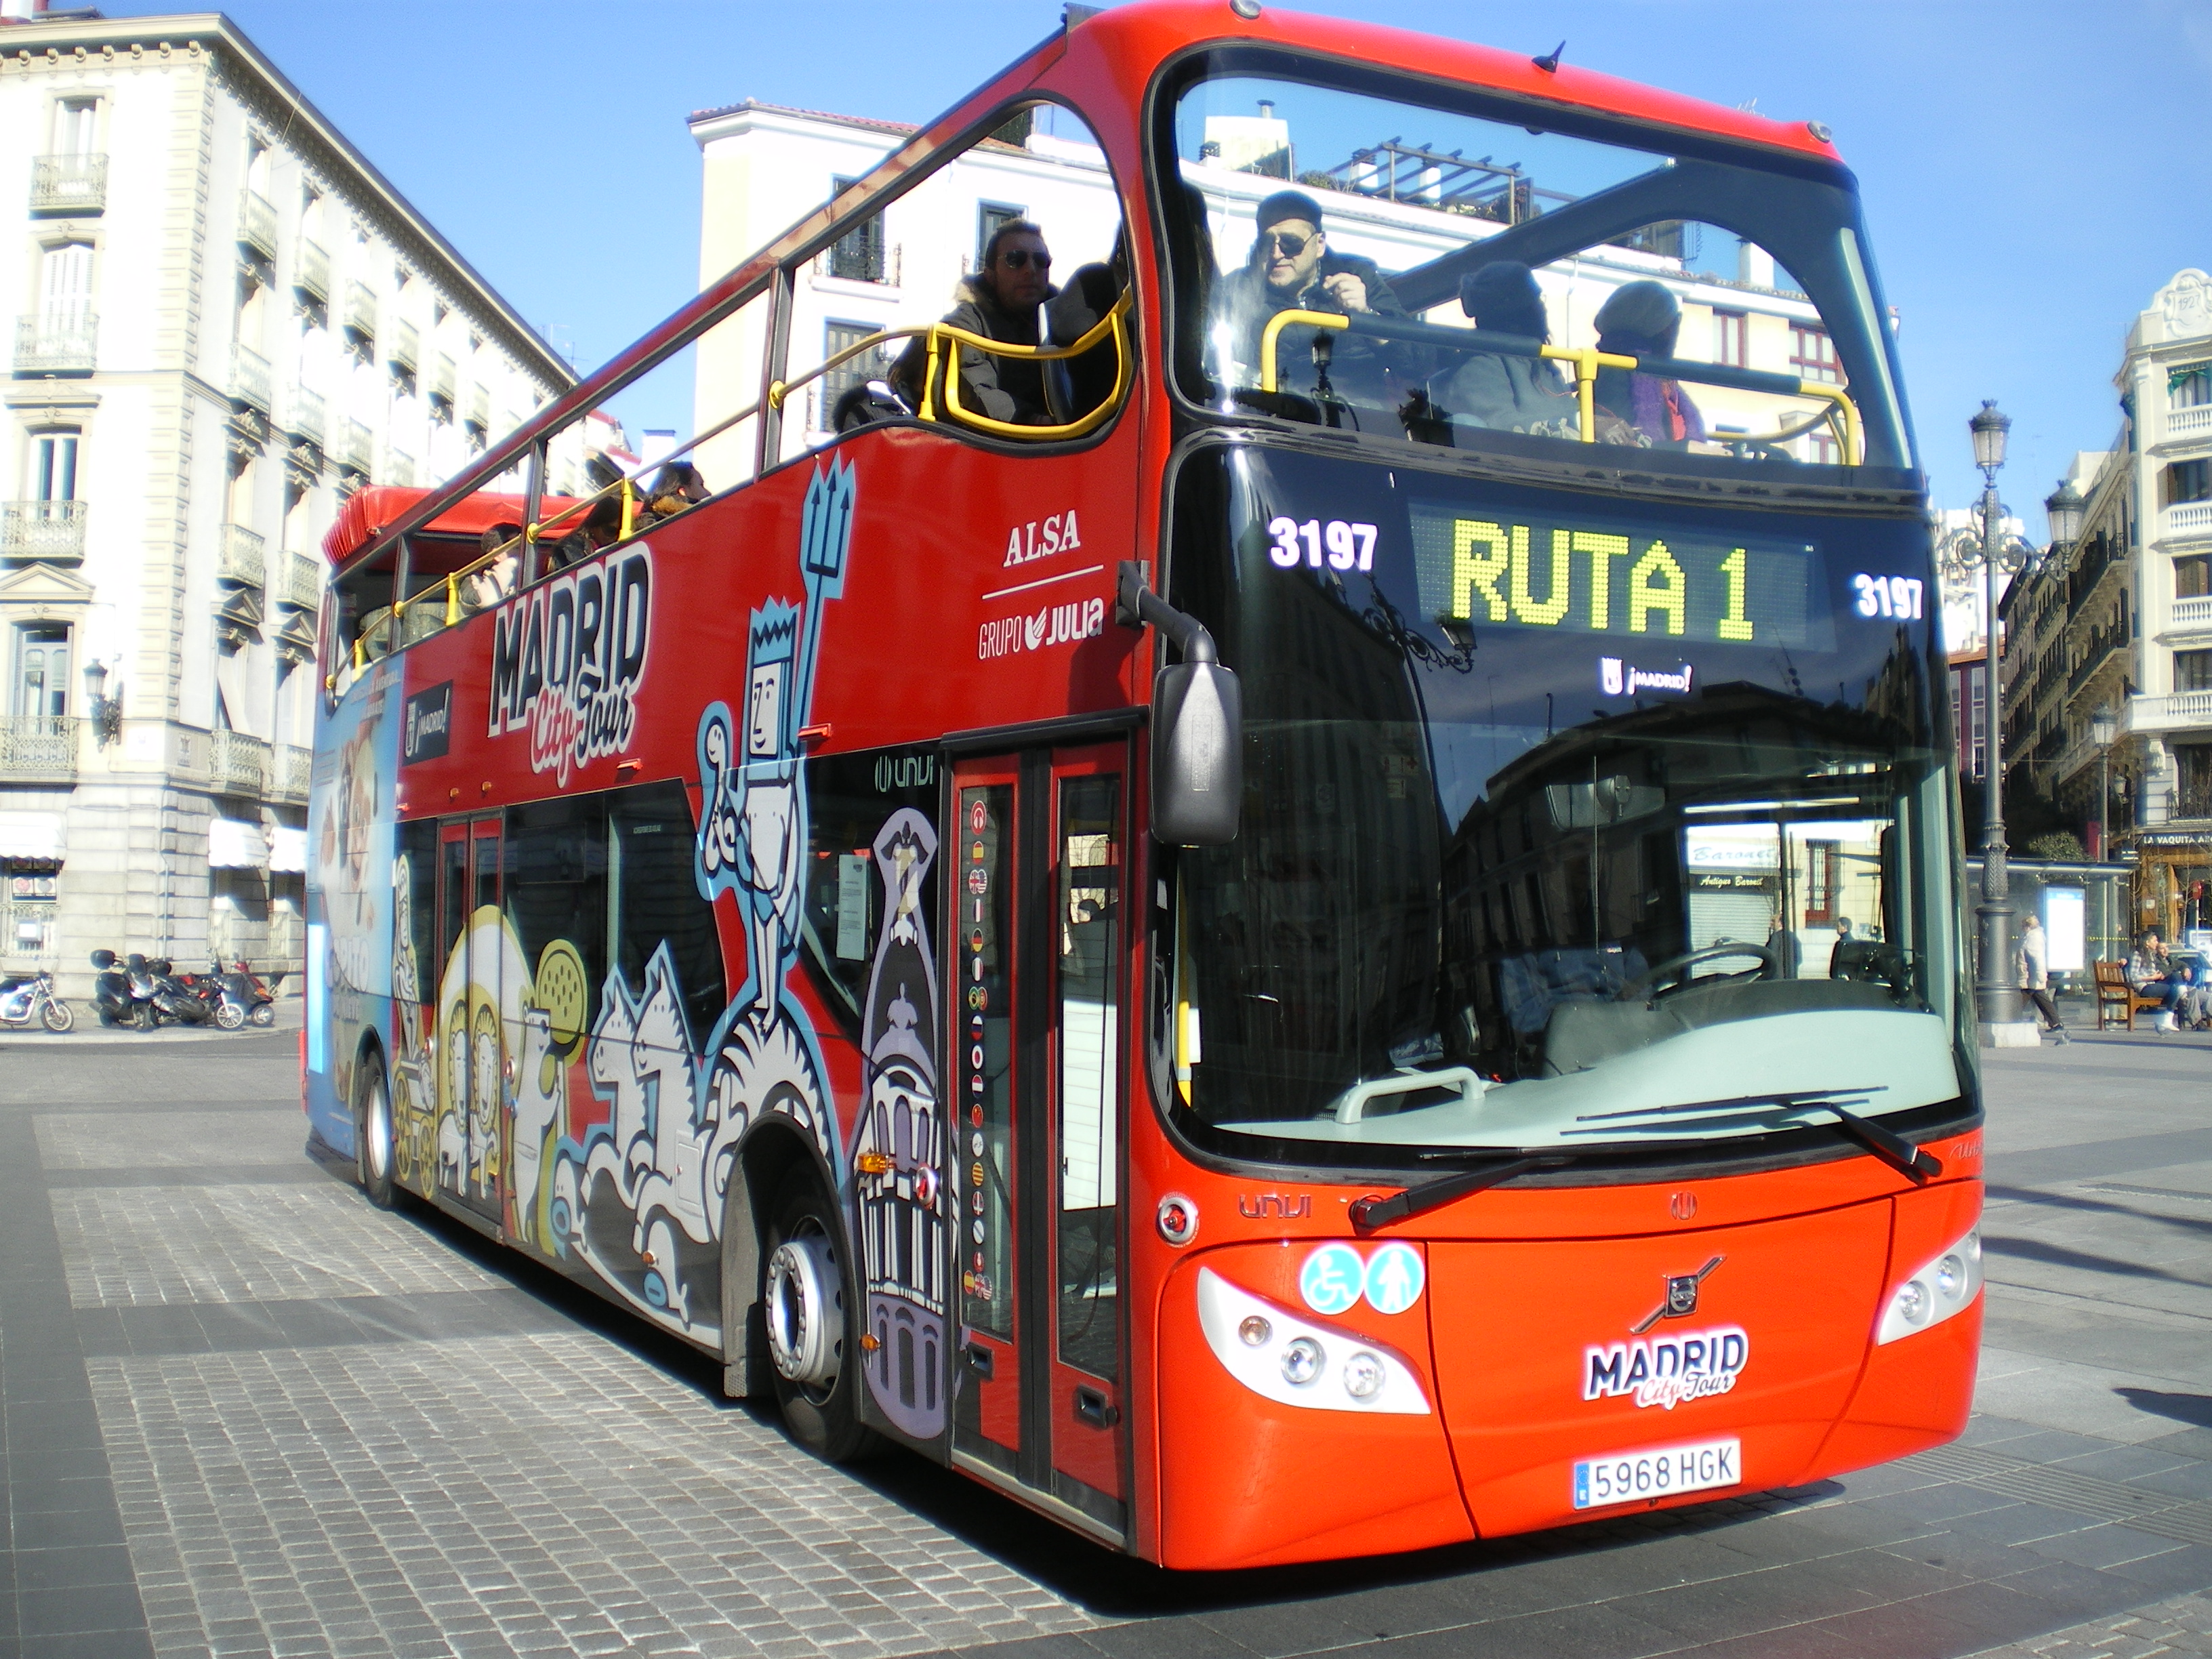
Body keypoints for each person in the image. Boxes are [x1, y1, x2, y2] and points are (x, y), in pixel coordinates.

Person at [1210, 189, 1410, 411]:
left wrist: (1365, 315)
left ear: (1320, 244)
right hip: (1274, 421)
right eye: (1267, 242)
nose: (1276, 254)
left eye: (1291, 242)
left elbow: (1418, 361)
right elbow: (1208, 361)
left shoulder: (1359, 277)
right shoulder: (1234, 291)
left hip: (1357, 421)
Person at [893, 219, 1058, 426]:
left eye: (1041, 260)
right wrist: (1032, 420)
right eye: (1016, 260)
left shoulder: (1065, 321)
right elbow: (973, 388)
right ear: (990, 274)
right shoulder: (965, 323)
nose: (1030, 269)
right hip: (998, 445)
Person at [1439, 261, 1575, 434]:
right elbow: (1504, 425)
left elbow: (1572, 412)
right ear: (1516, 318)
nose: (1543, 309)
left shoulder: (1543, 366)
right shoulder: (1476, 368)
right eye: (1536, 302)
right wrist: (1569, 425)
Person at [1591, 280, 1706, 449]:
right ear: (1663, 328)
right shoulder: (1618, 369)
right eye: (1673, 322)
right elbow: (1625, 443)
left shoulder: (1660, 376)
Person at [2018, 914, 2068, 1040]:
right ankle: (2056, 1022)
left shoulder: (2033, 938)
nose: (2022, 928)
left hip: (2030, 977)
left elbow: (2038, 960)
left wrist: (2041, 977)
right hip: (2031, 977)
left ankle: (2010, 1019)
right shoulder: (2031, 937)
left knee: (2019, 1000)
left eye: (2023, 926)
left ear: (2028, 926)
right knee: (2042, 998)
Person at [2127, 930, 2186, 1031]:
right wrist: (2151, 978)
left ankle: (2182, 991)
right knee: (2175, 990)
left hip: (2154, 984)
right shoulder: (2138, 955)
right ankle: (2165, 1020)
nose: (2157, 943)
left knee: (2175, 976)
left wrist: (2158, 976)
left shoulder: (2151, 955)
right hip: (2145, 987)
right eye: (2154, 941)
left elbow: (2152, 972)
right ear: (2147, 943)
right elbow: (2133, 976)